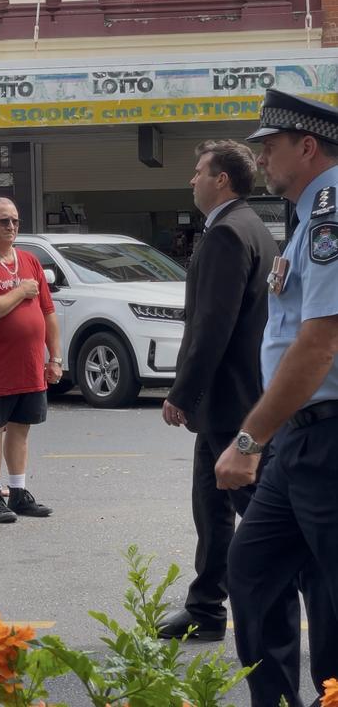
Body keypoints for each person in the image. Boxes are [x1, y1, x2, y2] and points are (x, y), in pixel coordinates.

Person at [215, 89, 338, 707]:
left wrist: (249, 438)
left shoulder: (330, 212)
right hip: (301, 437)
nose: (261, 156)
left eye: (271, 145)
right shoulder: (309, 214)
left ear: (307, 146)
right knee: (254, 569)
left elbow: (319, 346)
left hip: (328, 436)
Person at [158, 141, 277, 641]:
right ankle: (206, 608)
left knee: (267, 520)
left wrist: (182, 392)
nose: (193, 179)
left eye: (199, 171)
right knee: (211, 510)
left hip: (233, 403)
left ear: (222, 180)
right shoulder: (251, 227)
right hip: (230, 404)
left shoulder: (230, 233)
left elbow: (212, 325)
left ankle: (281, 608)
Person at [0, 197, 61, 524]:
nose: (11, 226)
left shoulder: (30, 260)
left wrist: (55, 357)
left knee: (21, 429)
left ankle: (18, 492)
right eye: (3, 221)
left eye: (15, 221)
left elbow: (48, 312)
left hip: (29, 368)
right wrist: (21, 291)